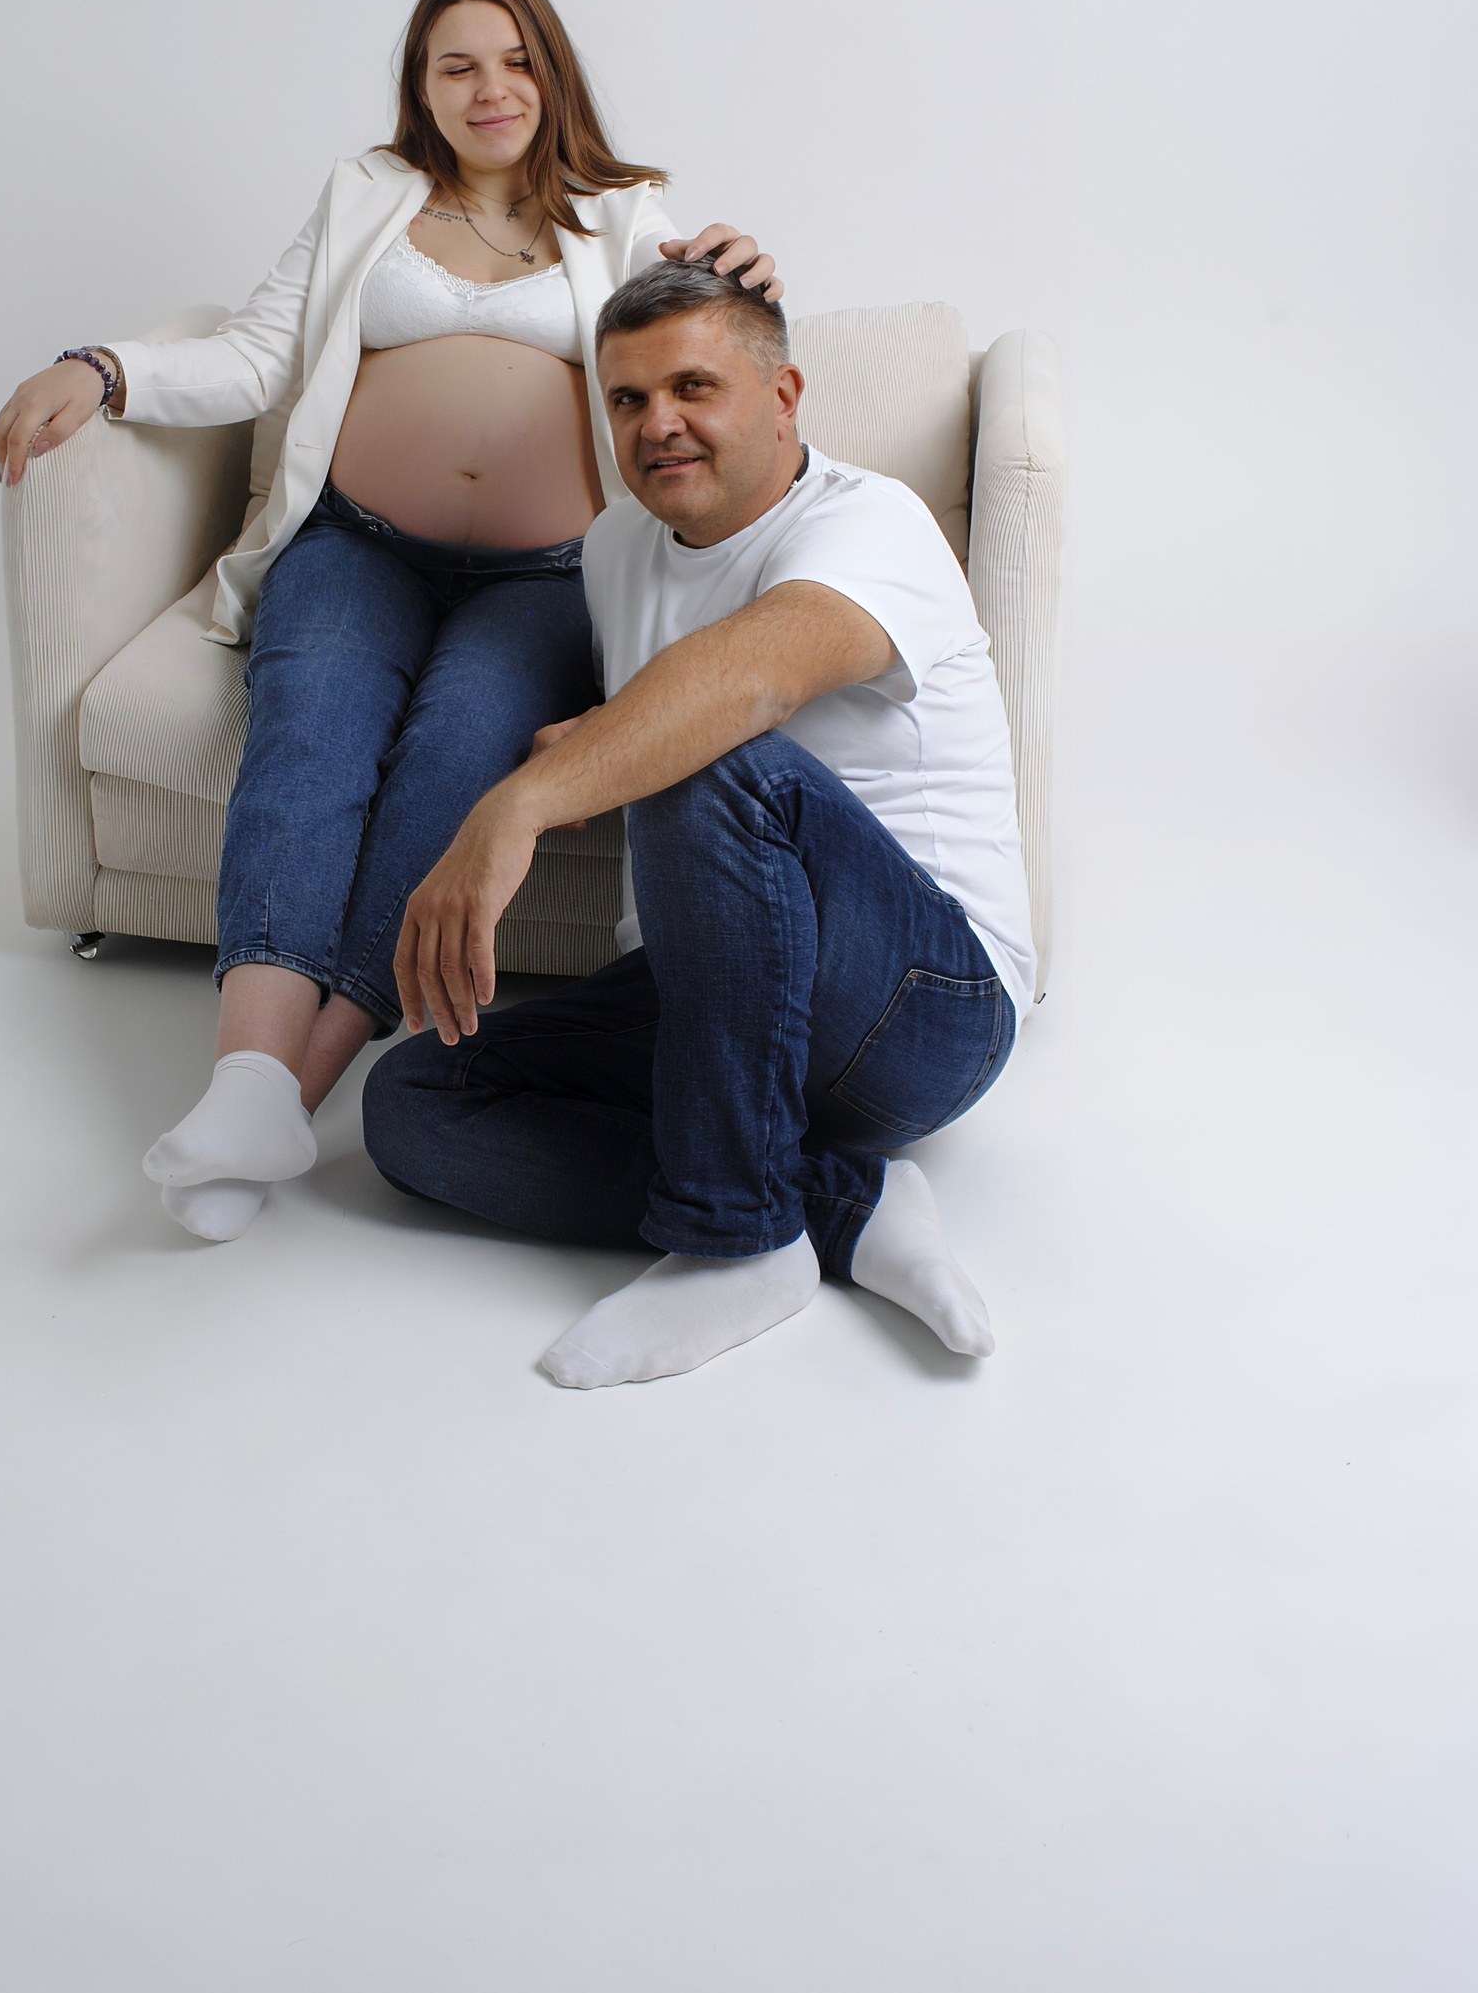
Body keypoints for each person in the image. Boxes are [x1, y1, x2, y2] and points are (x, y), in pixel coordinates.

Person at [0, 0, 783, 1240]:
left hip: (545, 575)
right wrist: (105, 367)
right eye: (457, 64)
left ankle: (284, 1095)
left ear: (552, 75)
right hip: (357, 545)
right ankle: (245, 1076)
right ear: (422, 83)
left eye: (515, 60)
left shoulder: (625, 215)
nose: (490, 88)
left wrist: (741, 274)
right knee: (308, 739)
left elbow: (699, 331)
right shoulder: (367, 193)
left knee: (453, 766)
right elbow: (257, 353)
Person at [362, 254, 1035, 1385]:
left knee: (711, 751)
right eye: (627, 398)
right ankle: (846, 1205)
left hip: (925, 1005)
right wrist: (591, 741)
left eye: (694, 387)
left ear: (783, 397)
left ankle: (740, 1241)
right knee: (414, 1102)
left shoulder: (874, 522)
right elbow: (662, 699)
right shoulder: (619, 544)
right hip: (712, 996)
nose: (658, 423)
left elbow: (749, 683)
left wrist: (516, 808)